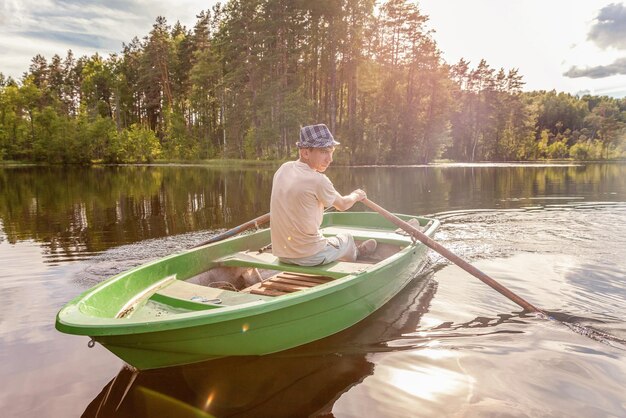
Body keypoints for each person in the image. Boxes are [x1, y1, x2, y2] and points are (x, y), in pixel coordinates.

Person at [270, 123, 376, 266]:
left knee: (320, 237)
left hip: (281, 254)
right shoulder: (318, 180)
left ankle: (334, 255)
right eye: (324, 152)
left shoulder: (283, 169)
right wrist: (357, 195)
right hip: (310, 257)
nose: (330, 159)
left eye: (331, 151)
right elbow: (343, 205)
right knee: (347, 238)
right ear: (305, 152)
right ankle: (355, 254)